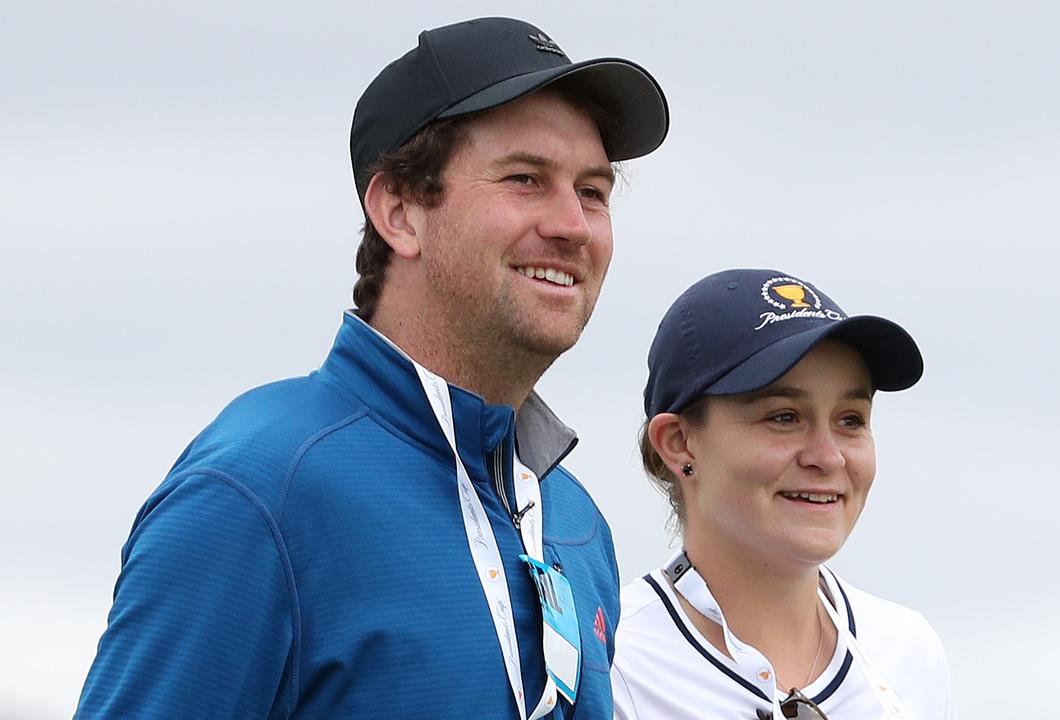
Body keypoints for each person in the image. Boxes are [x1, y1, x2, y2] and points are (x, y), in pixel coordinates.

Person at [75, 17, 668, 719]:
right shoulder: (261, 491)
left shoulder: (575, 523)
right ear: (400, 210)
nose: (573, 224)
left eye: (593, 191)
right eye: (525, 179)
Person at [611, 269, 955, 719]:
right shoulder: (615, 663)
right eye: (784, 417)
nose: (828, 457)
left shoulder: (908, 652)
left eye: (850, 420)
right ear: (679, 442)